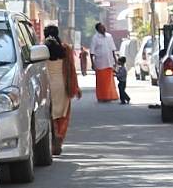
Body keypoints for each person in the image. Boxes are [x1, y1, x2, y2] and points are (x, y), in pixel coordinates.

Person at [43, 25, 81, 155]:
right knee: (63, 115)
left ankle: (53, 139)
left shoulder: (42, 50)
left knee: (50, 114)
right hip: (63, 85)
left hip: (48, 86)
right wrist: (76, 87)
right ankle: (59, 137)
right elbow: (71, 70)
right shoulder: (65, 49)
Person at [89, 22, 119, 102]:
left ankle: (110, 96)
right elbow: (92, 52)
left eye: (104, 27)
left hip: (109, 62)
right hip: (100, 63)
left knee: (109, 81)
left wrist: (115, 60)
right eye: (102, 27)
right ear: (98, 29)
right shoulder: (95, 38)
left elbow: (113, 49)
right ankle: (102, 97)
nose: (104, 28)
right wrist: (93, 63)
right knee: (101, 82)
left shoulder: (109, 36)